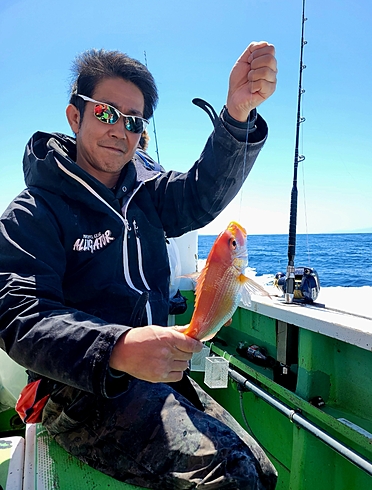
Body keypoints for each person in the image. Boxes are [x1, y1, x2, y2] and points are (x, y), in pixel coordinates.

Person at [0, 42, 277, 489]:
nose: (120, 131)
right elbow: (19, 317)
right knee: (233, 478)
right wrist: (117, 347)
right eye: (106, 113)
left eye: (133, 122)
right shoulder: (33, 212)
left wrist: (237, 115)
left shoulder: (145, 193)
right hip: (79, 391)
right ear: (75, 116)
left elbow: (200, 194)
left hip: (160, 374)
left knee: (261, 471)